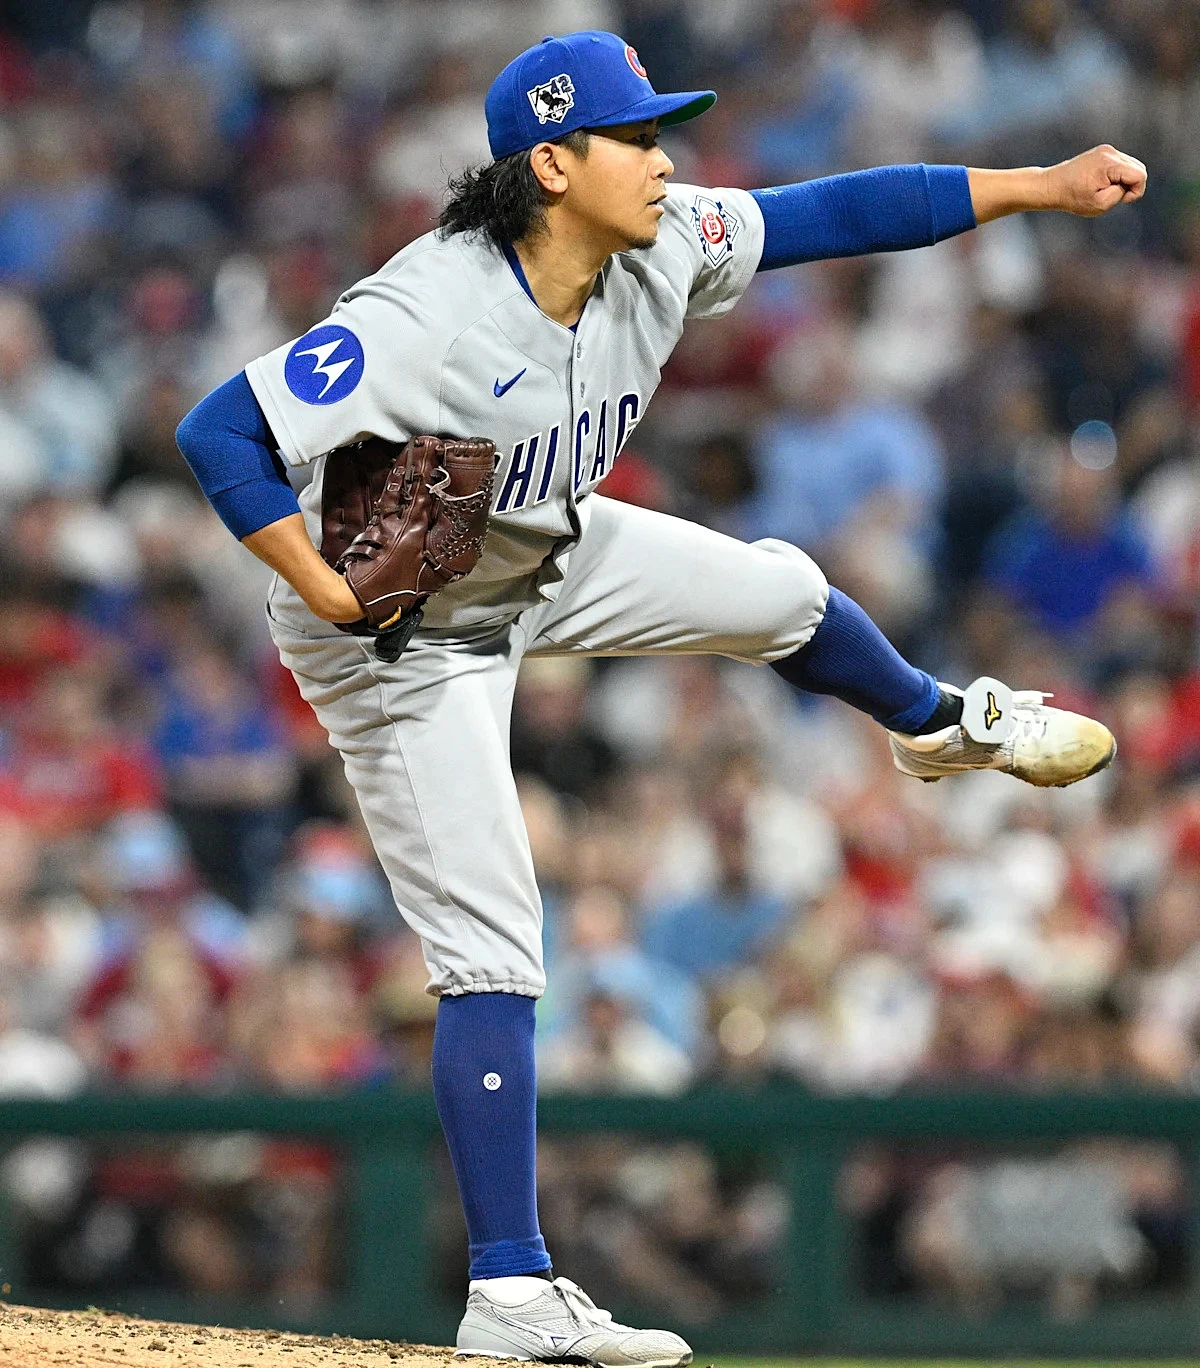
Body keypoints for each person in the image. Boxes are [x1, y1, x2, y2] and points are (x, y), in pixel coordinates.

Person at [175, 30, 1144, 1366]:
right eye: (633, 137)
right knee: (494, 944)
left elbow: (835, 213)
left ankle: (933, 725)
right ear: (551, 165)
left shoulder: (664, 241)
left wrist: (1038, 185)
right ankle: (511, 1294)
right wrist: (320, 585)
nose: (664, 159)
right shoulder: (429, 307)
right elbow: (220, 432)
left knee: (782, 593)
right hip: (403, 608)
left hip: (530, 538)